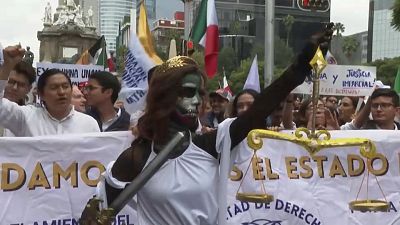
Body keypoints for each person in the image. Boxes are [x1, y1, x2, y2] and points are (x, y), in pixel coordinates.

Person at [81, 26, 334, 225]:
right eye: (188, 92)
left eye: (201, 94)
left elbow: (259, 110)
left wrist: (300, 65)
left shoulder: (211, 146)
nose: (197, 101)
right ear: (164, 97)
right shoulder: (135, 158)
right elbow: (96, 213)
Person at [0, 45, 100, 136]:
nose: (61, 92)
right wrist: (7, 67)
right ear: (41, 94)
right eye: (54, 87)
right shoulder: (25, 117)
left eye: (65, 86)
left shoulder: (89, 124)